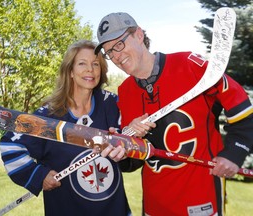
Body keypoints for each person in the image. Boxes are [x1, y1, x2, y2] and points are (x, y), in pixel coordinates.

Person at [95, 12, 253, 216]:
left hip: (201, 198)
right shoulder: (125, 92)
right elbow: (136, 159)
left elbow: (241, 106)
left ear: (139, 35)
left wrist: (234, 153)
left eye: (119, 44)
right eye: (109, 52)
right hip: (155, 205)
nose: (116, 56)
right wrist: (123, 151)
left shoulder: (189, 65)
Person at [0, 40, 132, 216]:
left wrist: (129, 141)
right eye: (82, 63)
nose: (90, 70)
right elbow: (10, 146)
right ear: (70, 71)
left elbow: (131, 144)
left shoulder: (111, 104)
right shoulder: (49, 115)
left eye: (95, 64)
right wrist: (39, 175)